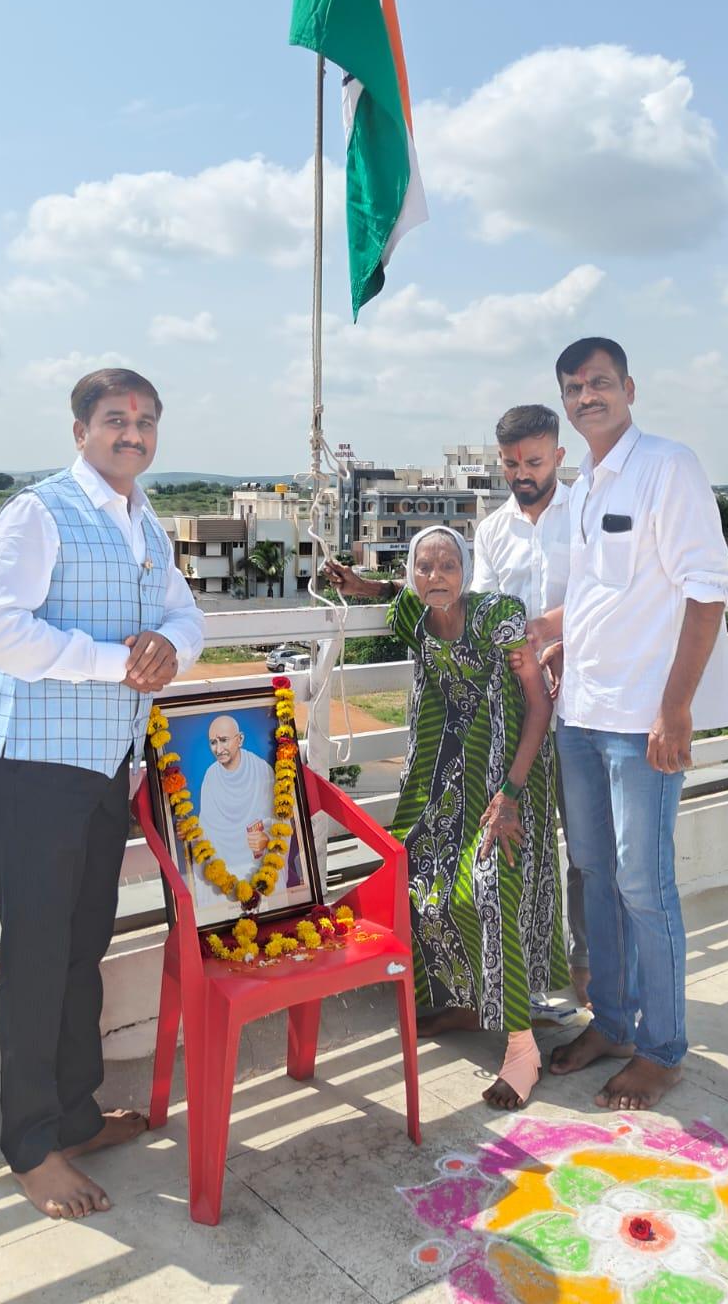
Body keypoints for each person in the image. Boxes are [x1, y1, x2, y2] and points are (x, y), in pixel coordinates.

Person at [0, 367, 205, 1219]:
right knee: (37, 951)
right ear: (80, 430)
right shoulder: (39, 513)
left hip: (108, 765)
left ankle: (71, 1110)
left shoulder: (145, 523)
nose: (131, 433)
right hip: (35, 766)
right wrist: (115, 662)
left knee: (83, 944)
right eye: (114, 419)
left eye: (144, 419)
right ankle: (30, 1145)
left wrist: (171, 648)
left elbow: (185, 617)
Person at [541, 337, 728, 1111]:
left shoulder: (668, 467)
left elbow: (707, 592)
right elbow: (600, 594)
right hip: (580, 711)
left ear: (629, 387)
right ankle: (614, 1023)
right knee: (593, 873)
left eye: (599, 383)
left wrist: (676, 706)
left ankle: (662, 1049)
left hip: (641, 721)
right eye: (573, 387)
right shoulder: (585, 484)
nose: (587, 396)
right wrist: (547, 629)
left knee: (644, 885)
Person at [326, 526, 566, 1109]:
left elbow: (539, 704)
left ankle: (521, 1046)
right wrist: (360, 585)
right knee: (422, 884)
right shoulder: (417, 616)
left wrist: (509, 795)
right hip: (448, 782)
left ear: (468, 572)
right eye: (424, 567)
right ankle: (465, 1000)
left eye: (448, 566)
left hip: (512, 777)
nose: (436, 577)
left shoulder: (497, 618)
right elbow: (398, 593)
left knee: (489, 886)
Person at [470, 403, 588, 1011]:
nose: (523, 472)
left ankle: (592, 977)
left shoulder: (586, 510)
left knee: (590, 852)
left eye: (535, 461)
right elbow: (485, 617)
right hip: (519, 718)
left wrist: (559, 638)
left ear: (558, 458)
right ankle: (537, 981)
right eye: (512, 462)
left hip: (587, 709)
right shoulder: (490, 532)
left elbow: (603, 595)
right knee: (528, 848)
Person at [197, 715, 294, 897]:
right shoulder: (210, 778)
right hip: (225, 868)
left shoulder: (261, 770)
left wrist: (266, 839)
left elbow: (282, 820)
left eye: (224, 740)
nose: (218, 749)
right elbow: (207, 830)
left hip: (260, 864)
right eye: (213, 742)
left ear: (240, 739)